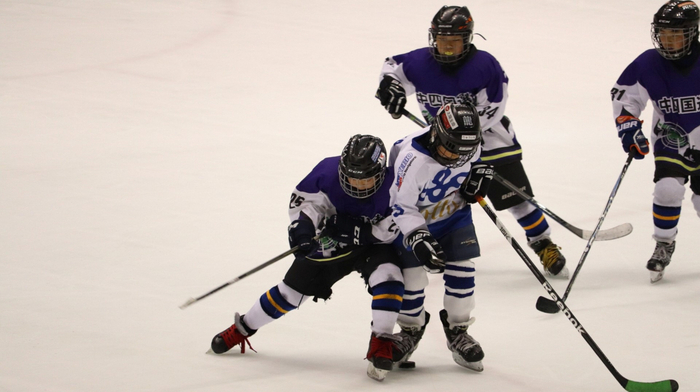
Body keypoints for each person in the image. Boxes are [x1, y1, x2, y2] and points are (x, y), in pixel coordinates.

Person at [376, 5, 569, 278]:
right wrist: (390, 87)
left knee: (515, 198)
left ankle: (543, 242)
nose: (446, 49)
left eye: (453, 43)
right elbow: (392, 67)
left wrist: (457, 136)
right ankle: (426, 245)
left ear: (467, 40)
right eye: (441, 42)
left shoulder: (484, 66)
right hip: (441, 147)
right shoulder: (419, 62)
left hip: (491, 142)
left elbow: (493, 109)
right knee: (429, 198)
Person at [209, 135, 405, 381]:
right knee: (289, 293)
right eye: (351, 177)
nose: (356, 184)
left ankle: (381, 341)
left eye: (364, 179)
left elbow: (391, 228)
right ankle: (242, 328)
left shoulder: (397, 182)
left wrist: (354, 229)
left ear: (379, 172)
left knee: (390, 278)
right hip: (333, 242)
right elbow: (308, 207)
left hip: (373, 246)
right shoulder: (326, 172)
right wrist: (303, 230)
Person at [388, 103, 493, 372]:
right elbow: (401, 207)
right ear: (436, 135)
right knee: (411, 279)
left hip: (454, 217)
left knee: (464, 272)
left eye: (465, 151)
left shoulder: (467, 146)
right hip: (413, 223)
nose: (458, 157)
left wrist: (476, 181)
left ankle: (458, 330)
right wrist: (418, 237)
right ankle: (410, 331)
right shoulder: (413, 160)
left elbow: (474, 165)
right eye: (451, 148)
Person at [611, 0, 700, 283]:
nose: (667, 40)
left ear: (692, 33)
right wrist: (628, 128)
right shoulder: (648, 63)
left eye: (675, 34)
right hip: (671, 139)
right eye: (662, 33)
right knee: (667, 190)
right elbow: (625, 98)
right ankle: (664, 243)